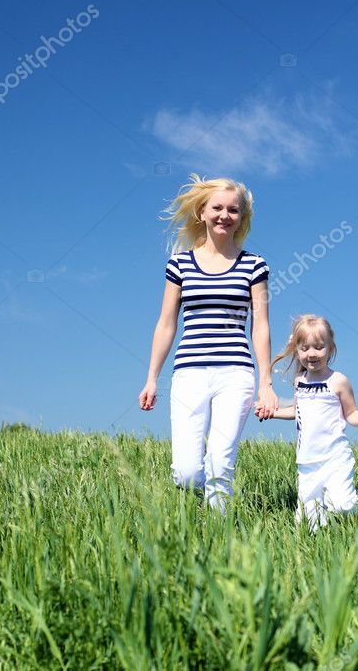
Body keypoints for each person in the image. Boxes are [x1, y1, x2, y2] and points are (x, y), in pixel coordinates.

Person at [139, 174, 279, 511]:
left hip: (236, 374)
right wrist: (152, 378)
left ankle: (220, 540)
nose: (224, 215)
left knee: (220, 465)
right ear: (202, 212)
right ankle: (202, 508)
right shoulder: (180, 264)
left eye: (234, 210)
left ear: (241, 218)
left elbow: (260, 326)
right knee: (187, 473)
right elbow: (166, 323)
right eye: (217, 208)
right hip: (189, 373)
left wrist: (266, 383)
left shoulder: (254, 265)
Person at [257, 314, 358, 530]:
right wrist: (272, 413)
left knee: (343, 506)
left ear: (330, 348)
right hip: (307, 461)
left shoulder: (338, 381)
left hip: (335, 457)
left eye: (318, 347)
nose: (312, 354)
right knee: (308, 524)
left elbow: (351, 413)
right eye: (304, 348)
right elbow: (297, 412)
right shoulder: (300, 380)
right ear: (297, 351)